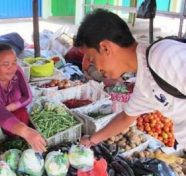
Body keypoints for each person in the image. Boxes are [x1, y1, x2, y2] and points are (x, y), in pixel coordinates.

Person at [74, 9, 186, 148]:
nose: (95, 67)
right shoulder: (144, 81)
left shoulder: (162, 56)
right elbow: (126, 118)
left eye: (92, 58)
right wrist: (91, 140)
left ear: (105, 48)